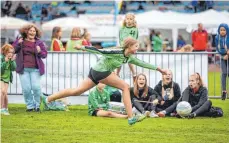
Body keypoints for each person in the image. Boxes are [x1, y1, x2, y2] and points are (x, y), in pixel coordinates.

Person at [42, 37, 168, 125]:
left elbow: (142, 63)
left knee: (77, 91)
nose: (137, 49)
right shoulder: (117, 51)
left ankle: (48, 99)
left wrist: (159, 69)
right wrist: (82, 47)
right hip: (100, 72)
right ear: (129, 46)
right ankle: (130, 118)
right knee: (125, 86)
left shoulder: (129, 57)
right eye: (136, 46)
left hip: (95, 71)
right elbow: (99, 50)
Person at [12, 24, 48, 112]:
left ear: (36, 33)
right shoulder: (20, 40)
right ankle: (30, 106)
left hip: (35, 69)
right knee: (26, 89)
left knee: (36, 87)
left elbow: (44, 55)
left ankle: (37, 105)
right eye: (30, 31)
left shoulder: (39, 42)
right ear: (26, 32)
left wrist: (39, 51)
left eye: (34, 31)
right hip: (23, 69)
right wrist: (18, 44)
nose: (32, 32)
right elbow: (12, 50)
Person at [117, 13, 138, 82]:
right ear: (125, 20)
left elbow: (135, 39)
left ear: (133, 20)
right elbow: (120, 38)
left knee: (130, 60)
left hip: (130, 48)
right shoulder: (122, 29)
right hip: (122, 47)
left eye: (130, 19)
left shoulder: (135, 29)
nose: (129, 20)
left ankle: (134, 74)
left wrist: (132, 47)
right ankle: (117, 73)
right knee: (119, 60)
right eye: (127, 19)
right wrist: (122, 45)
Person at [1, 44, 16, 115]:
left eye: (12, 52)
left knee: (5, 94)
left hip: (7, 79)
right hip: (1, 77)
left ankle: (6, 108)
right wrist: (5, 62)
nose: (10, 54)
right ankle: (1, 108)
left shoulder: (11, 59)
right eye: (9, 52)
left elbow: (13, 68)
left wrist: (12, 61)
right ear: (4, 52)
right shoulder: (1, 58)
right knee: (2, 91)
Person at [215, 23, 229, 100]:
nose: (222, 31)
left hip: (227, 56)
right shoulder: (217, 37)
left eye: (224, 30)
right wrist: (224, 55)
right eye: (221, 30)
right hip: (223, 57)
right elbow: (218, 48)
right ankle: (224, 91)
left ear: (227, 30)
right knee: (224, 73)